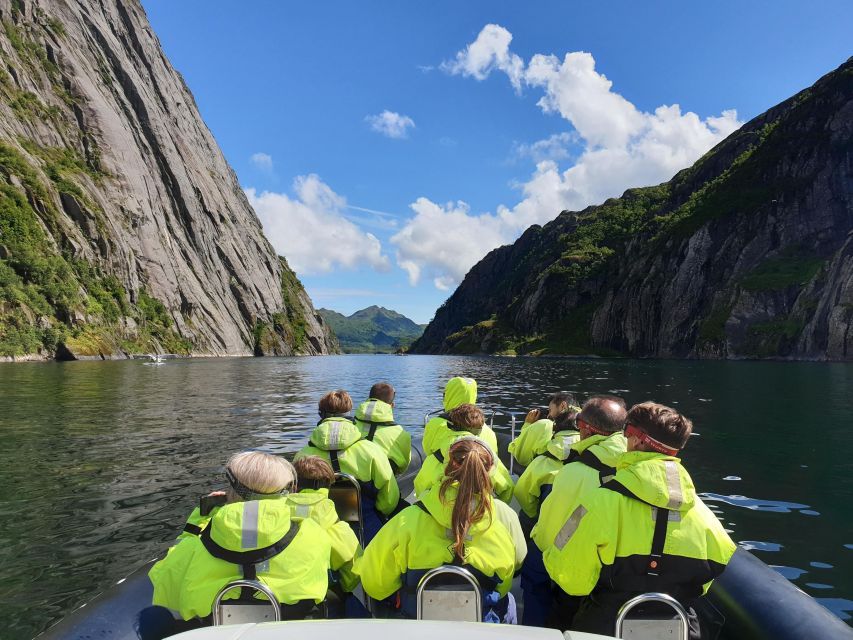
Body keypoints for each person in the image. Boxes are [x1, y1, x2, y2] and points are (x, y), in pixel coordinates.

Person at [543, 402, 736, 638]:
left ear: (637, 440)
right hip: (680, 627)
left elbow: (571, 580)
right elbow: (707, 579)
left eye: (626, 433)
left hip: (605, 627)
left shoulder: (599, 502)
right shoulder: (706, 517)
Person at [148, 451, 331, 626]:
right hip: (292, 629)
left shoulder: (198, 543)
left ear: (234, 491)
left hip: (218, 630)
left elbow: (164, 578)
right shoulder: (312, 533)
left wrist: (196, 523)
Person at [357, 438, 520, 622]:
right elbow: (503, 586)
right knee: (509, 601)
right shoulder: (500, 528)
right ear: (489, 473)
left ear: (446, 467)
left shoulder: (406, 521)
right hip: (478, 628)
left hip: (415, 626)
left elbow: (374, 584)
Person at [534, 395, 628, 628]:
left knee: (535, 572)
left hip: (581, 581)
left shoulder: (575, 472)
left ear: (585, 429)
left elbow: (549, 535)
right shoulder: (637, 466)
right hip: (627, 580)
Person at [295, 390, 399, 543]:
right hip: (365, 529)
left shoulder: (302, 456)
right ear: (349, 413)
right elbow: (389, 500)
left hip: (319, 530)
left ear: (321, 415)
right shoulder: (371, 451)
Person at [511, 406, 581, 626]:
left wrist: (536, 517)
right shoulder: (600, 466)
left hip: (544, 538)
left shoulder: (541, 462)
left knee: (535, 583)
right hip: (579, 541)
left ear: (555, 431)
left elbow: (522, 494)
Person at [414, 403, 514, 503]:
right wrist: (495, 507)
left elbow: (420, 488)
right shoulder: (487, 458)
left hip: (440, 507)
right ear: (479, 431)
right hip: (478, 510)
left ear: (453, 426)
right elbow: (507, 487)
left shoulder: (437, 456)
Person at [289, 457, 360, 596]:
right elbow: (353, 571)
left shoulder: (273, 514)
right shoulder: (338, 527)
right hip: (318, 597)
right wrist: (344, 590)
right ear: (328, 485)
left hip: (273, 595)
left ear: (293, 484)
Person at [423, 377, 499, 455]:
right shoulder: (488, 431)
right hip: (483, 462)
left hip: (447, 463)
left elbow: (427, 450)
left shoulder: (435, 424)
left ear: (448, 395)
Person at [508, 392, 581, 468]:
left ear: (563, 406)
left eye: (550, 410)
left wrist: (528, 425)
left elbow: (521, 457)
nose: (548, 416)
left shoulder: (546, 425)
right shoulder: (584, 431)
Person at [353, 382, 412, 474]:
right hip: (382, 479)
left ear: (368, 400)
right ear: (392, 405)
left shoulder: (349, 426)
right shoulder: (401, 434)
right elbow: (404, 466)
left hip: (352, 475)